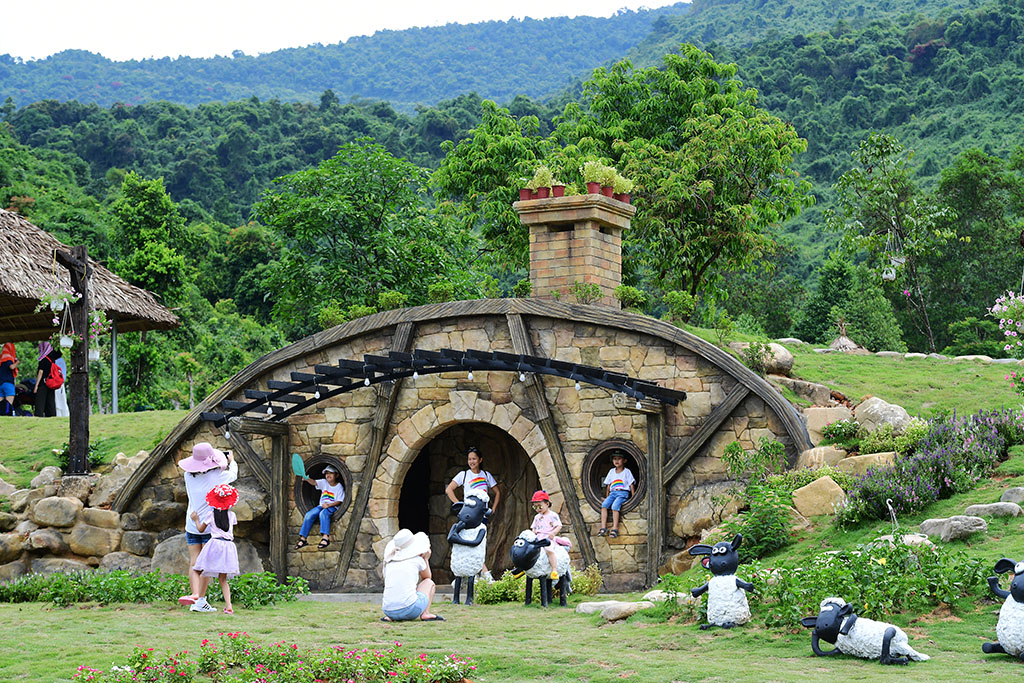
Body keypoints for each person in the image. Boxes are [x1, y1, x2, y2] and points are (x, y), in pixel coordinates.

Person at [177, 442, 237, 613]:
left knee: (194, 562)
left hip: (192, 524)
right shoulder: (218, 476)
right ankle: (200, 600)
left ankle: (195, 596)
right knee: (206, 565)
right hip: (210, 526)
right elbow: (232, 474)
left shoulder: (188, 476)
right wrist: (231, 460)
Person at [444, 446, 500, 580]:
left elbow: (497, 492)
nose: (471, 461)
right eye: (469, 459)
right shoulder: (463, 475)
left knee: (479, 543)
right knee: (472, 543)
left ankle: (477, 575)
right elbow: (449, 490)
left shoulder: (486, 475)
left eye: (474, 459)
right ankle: (485, 575)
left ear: (480, 460)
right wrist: (461, 505)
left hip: (482, 515)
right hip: (469, 516)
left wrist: (494, 508)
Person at [190, 483, 240, 615]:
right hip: (228, 546)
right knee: (223, 579)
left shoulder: (210, 514)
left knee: (197, 569)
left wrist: (195, 520)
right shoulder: (232, 515)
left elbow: (201, 529)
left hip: (215, 544)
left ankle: (198, 597)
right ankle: (228, 606)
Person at [380, 529, 443, 622]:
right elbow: (427, 577)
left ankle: (391, 616)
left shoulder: (389, 561)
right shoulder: (416, 559)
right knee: (429, 583)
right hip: (410, 610)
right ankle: (426, 613)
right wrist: (426, 559)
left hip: (388, 610)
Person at [295, 464, 344, 549]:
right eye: (326, 473)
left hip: (332, 506)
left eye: (331, 473)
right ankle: (303, 539)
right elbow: (314, 482)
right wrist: (307, 479)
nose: (328, 475)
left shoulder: (339, 487)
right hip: (321, 505)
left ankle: (325, 538)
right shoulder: (324, 482)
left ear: (336, 475)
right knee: (308, 515)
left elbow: (339, 501)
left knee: (323, 514)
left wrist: (329, 505)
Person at [530, 490, 570, 580]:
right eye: (535, 507)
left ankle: (554, 569)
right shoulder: (537, 517)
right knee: (528, 550)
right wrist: (532, 535)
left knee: (549, 550)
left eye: (539, 506)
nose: (537, 509)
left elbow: (559, 525)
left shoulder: (553, 515)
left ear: (547, 504)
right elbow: (534, 528)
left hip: (547, 538)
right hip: (538, 538)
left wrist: (553, 533)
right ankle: (524, 568)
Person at [598, 450, 636, 539]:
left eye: (619, 459)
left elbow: (631, 484)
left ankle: (615, 528)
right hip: (612, 493)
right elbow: (608, 485)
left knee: (615, 506)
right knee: (604, 505)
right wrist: (607, 497)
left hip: (622, 493)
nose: (616, 461)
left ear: (624, 461)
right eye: (614, 459)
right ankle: (604, 527)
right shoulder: (611, 471)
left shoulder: (627, 472)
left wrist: (633, 497)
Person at [33, 342, 60, 418]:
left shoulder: (43, 359)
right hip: (51, 383)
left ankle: (38, 416)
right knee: (50, 402)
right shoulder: (52, 360)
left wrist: (36, 385)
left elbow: (40, 372)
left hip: (43, 384)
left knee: (40, 402)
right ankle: (52, 416)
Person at [0, 343, 18, 417]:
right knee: (9, 404)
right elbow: (11, 367)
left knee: (1, 405)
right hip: (8, 384)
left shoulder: (1, 358)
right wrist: (17, 362)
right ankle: (9, 416)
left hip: (0, 384)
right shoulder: (8, 357)